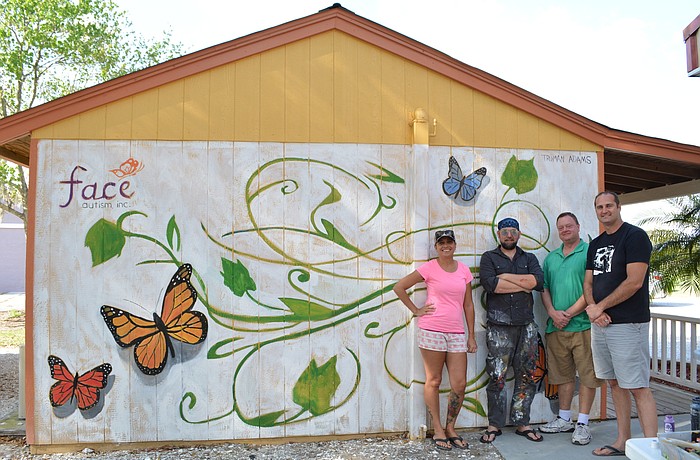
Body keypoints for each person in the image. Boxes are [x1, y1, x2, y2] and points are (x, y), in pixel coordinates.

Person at [584, 191, 657, 457]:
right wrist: (595, 311)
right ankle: (622, 440)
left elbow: (635, 281)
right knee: (614, 383)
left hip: (628, 323)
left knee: (637, 385)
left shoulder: (635, 236)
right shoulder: (596, 243)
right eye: (599, 207)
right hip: (601, 325)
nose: (604, 211)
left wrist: (600, 307)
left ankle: (652, 448)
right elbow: (588, 283)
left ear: (618, 207)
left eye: (608, 206)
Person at [393, 229, 478, 452]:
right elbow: (399, 287)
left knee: (459, 384)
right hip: (432, 329)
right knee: (434, 380)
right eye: (442, 243)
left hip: (457, 332)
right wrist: (416, 310)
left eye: (450, 242)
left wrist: (471, 335)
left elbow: (468, 305)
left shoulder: (463, 270)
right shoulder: (429, 267)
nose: (446, 246)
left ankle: (451, 428)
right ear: (436, 246)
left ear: (455, 245)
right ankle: (438, 430)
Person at [538, 212, 603, 446]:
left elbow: (592, 287)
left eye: (569, 226)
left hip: (584, 326)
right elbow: (544, 288)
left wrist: (569, 313)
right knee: (563, 376)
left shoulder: (589, 252)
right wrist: (554, 313)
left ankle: (583, 423)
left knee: (587, 376)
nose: (565, 230)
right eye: (561, 227)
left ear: (578, 226)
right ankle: (564, 418)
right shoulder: (551, 258)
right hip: (556, 327)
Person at [479, 217, 545, 444]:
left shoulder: (530, 258)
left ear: (519, 234)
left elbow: (537, 282)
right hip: (499, 325)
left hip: (526, 324)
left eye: (513, 231)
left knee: (526, 375)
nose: (509, 235)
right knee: (497, 376)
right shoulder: (489, 258)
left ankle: (522, 423)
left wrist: (505, 277)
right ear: (499, 234)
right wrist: (521, 283)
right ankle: (494, 424)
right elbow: (491, 285)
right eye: (505, 231)